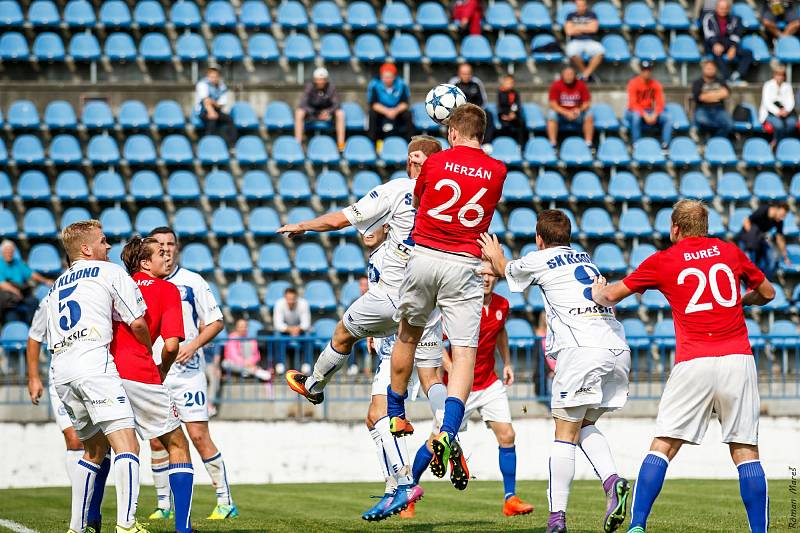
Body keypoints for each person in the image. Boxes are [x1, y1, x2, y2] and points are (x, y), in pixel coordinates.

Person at [277, 137, 447, 521]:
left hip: (393, 300)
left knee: (341, 333)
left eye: (417, 161)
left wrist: (304, 225)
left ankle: (315, 385)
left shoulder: (400, 190)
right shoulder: (445, 201)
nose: (410, 166)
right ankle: (409, 475)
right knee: (378, 413)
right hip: (426, 306)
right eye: (408, 160)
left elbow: (341, 218)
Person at [592, 200, 775, 533]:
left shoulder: (663, 260)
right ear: (705, 228)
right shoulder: (729, 252)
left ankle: (637, 526)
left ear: (675, 228)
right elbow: (768, 292)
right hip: (738, 358)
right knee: (746, 450)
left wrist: (597, 292)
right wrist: (742, 300)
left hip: (694, 361)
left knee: (663, 445)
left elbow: (612, 296)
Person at [480, 210, 632, 533]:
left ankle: (556, 519)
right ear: (569, 236)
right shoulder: (586, 259)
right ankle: (612, 481)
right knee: (584, 423)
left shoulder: (541, 258)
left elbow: (506, 270)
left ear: (539, 239)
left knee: (564, 433)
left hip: (582, 351)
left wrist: (496, 256)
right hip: (616, 348)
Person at [386, 103, 507, 494]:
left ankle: (395, 412)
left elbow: (421, 200)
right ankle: (448, 430)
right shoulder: (498, 170)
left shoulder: (435, 164)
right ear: (482, 135)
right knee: (465, 352)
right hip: (464, 265)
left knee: (408, 335)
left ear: (452, 132)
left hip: (423, 256)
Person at [45, 220, 151, 533]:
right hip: (93, 363)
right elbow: (138, 322)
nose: (109, 247)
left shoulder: (56, 287)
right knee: (127, 444)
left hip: (62, 372)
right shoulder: (109, 271)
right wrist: (148, 350)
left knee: (92, 451)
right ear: (88, 248)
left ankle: (77, 528)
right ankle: (127, 525)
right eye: (103, 241)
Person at [408, 263, 535, 519]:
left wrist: (507, 362)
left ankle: (510, 499)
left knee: (507, 435)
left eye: (491, 274)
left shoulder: (502, 305)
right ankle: (407, 490)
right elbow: (435, 340)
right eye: (483, 274)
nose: (486, 278)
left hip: (488, 383)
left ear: (497, 278)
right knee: (435, 444)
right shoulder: (461, 305)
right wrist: (453, 368)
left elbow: (500, 333)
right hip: (457, 390)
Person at [147, 227, 237, 522]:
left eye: (171, 244)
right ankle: (164, 504)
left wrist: (194, 344)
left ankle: (225, 501)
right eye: (160, 244)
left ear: (177, 248)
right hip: (156, 373)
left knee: (198, 435)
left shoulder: (192, 281)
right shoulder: (142, 283)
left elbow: (216, 321)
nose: (166, 249)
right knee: (157, 439)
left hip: (187, 372)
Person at [114, 236, 195, 533]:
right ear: (145, 262)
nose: (168, 256)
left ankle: (89, 522)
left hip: (106, 373)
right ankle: (183, 527)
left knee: (106, 448)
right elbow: (171, 346)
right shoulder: (167, 289)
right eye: (160, 253)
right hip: (141, 372)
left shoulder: (117, 284)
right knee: (177, 443)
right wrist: (162, 369)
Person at [27, 299, 111, 533]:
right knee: (75, 439)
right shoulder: (50, 298)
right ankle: (80, 514)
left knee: (104, 443)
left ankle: (92, 513)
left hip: (97, 372)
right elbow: (34, 337)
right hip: (62, 376)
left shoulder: (99, 288)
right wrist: (33, 377)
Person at [0, 239, 53, 323]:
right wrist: (15, 291)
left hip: (21, 292)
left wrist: (45, 281)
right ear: (2, 252)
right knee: (11, 317)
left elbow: (32, 274)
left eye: (11, 251)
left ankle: (30, 325)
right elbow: (2, 283)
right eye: (7, 251)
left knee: (34, 302)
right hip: (9, 297)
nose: (9, 253)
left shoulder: (17, 262)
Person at [294, 67, 346, 151]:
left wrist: (328, 112)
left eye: (322, 79)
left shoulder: (331, 87)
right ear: (314, 80)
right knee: (299, 112)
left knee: (340, 113)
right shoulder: (309, 87)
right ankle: (298, 144)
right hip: (312, 114)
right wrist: (315, 113)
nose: (320, 82)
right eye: (318, 79)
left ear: (326, 80)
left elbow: (337, 104)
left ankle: (340, 144)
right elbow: (303, 104)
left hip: (327, 114)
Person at [737, 201, 791, 280]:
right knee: (750, 261)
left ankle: (765, 282)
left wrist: (785, 257)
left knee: (771, 259)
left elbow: (780, 238)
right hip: (747, 238)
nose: (781, 218)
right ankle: (750, 285)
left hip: (760, 238)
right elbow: (746, 221)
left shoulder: (779, 221)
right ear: (776, 209)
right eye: (781, 215)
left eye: (784, 216)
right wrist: (751, 237)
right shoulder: (763, 210)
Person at [702, 0, 752, 84]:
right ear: (716, 8)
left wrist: (733, 47)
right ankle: (727, 78)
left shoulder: (735, 19)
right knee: (717, 53)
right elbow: (709, 34)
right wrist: (715, 44)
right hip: (713, 45)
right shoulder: (709, 18)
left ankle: (737, 75)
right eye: (721, 8)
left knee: (748, 53)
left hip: (729, 44)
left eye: (725, 8)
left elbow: (737, 34)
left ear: (728, 9)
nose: (723, 10)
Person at [626, 61, 673, 149]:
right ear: (640, 71)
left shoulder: (655, 84)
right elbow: (632, 104)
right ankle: (636, 144)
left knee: (668, 117)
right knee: (636, 116)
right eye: (644, 70)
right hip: (633, 112)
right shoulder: (633, 83)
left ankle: (665, 145)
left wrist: (655, 114)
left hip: (650, 111)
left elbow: (660, 103)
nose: (646, 72)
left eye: (648, 70)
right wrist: (644, 114)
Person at [367, 63, 414, 145]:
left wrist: (395, 111)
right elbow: (373, 104)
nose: (387, 79)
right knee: (372, 114)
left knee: (408, 114)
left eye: (390, 77)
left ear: (394, 77)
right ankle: (372, 142)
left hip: (397, 111)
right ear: (381, 77)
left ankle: (410, 142)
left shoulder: (401, 84)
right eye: (385, 77)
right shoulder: (375, 85)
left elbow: (405, 103)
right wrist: (386, 111)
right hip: (382, 111)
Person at [547, 66, 594, 148]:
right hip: (561, 115)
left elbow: (587, 103)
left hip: (577, 114)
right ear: (562, 75)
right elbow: (553, 104)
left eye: (571, 74)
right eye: (567, 74)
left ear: (575, 75)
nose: (569, 76)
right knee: (551, 114)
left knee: (589, 114)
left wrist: (578, 110)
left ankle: (588, 143)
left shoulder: (581, 85)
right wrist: (566, 112)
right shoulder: (556, 85)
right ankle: (553, 144)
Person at [448, 63, 495, 142]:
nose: (466, 76)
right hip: (458, 112)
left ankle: (487, 143)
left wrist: (474, 110)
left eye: (468, 73)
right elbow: (449, 100)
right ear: (459, 73)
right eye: (464, 74)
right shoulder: (453, 83)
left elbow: (483, 101)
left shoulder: (477, 83)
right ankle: (454, 141)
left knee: (489, 115)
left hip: (475, 111)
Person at [272, 287, 311, 374]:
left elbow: (306, 323)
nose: (291, 301)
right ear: (285, 298)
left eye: (293, 299)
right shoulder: (279, 303)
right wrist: (290, 330)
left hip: (300, 332)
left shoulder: (303, 303)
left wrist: (298, 329)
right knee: (277, 335)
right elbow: (278, 324)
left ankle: (306, 364)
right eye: (289, 299)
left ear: (296, 298)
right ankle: (280, 364)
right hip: (285, 332)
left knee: (308, 336)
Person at [194, 65, 236, 146]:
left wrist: (213, 104)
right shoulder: (202, 84)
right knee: (211, 120)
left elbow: (221, 104)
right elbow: (205, 100)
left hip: (217, 110)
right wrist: (211, 111)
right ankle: (208, 144)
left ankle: (231, 144)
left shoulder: (222, 86)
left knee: (229, 120)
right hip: (203, 111)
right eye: (211, 76)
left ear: (218, 76)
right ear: (208, 76)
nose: (213, 78)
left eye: (215, 76)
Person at [564, 0, 605, 81]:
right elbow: (569, 31)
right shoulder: (570, 15)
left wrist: (576, 27)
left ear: (586, 6)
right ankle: (587, 75)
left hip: (590, 41)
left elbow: (593, 29)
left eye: (582, 5)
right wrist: (586, 27)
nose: (581, 8)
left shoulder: (592, 14)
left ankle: (585, 75)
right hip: (575, 41)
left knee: (601, 52)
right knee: (571, 52)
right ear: (576, 6)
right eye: (579, 6)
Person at [692, 60, 733, 137]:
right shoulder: (698, 82)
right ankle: (714, 136)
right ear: (703, 69)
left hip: (719, 109)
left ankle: (715, 140)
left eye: (712, 68)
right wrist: (717, 95)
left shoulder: (721, 81)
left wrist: (708, 95)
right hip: (703, 109)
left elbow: (726, 93)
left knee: (729, 124)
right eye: (708, 68)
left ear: (716, 69)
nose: (710, 70)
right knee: (702, 121)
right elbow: (700, 97)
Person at [760, 63, 796, 145]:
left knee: (792, 124)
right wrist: (777, 112)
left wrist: (786, 111)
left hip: (785, 114)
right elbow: (767, 103)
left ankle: (778, 143)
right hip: (770, 114)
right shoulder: (768, 85)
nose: (779, 77)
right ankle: (779, 144)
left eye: (781, 75)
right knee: (779, 125)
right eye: (778, 75)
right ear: (774, 75)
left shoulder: (787, 86)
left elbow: (791, 101)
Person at [496, 74, 527, 146]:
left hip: (513, 115)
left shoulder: (515, 93)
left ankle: (520, 145)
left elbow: (517, 104)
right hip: (503, 115)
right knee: (505, 125)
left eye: (511, 83)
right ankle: (506, 145)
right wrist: (503, 115)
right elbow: (499, 106)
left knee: (521, 123)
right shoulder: (500, 93)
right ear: (503, 83)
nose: (509, 85)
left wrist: (513, 113)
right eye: (508, 83)